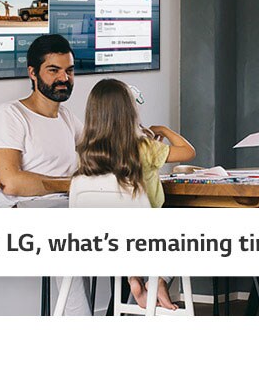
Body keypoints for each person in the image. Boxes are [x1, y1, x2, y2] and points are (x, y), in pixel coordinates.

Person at [0, 34, 90, 312]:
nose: (64, 78)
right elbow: (13, 183)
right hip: (19, 218)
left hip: (65, 209)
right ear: (32, 73)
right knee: (70, 237)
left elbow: (99, 155)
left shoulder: (67, 117)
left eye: (69, 70)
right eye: (53, 70)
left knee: (139, 217)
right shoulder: (10, 115)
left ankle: (144, 297)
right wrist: (71, 185)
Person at [73, 78, 195, 311]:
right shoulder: (144, 147)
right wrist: (163, 131)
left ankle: (133, 277)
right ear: (130, 111)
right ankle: (159, 280)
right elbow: (188, 152)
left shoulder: (86, 153)